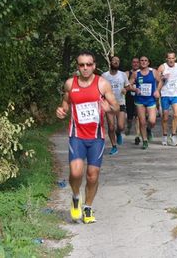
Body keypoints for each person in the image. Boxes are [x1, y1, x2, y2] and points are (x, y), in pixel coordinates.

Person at [56, 50, 119, 224]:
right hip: (76, 136)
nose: (85, 68)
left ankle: (88, 207)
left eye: (89, 64)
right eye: (81, 65)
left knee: (92, 175)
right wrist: (61, 111)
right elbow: (65, 104)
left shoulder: (102, 84)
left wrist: (109, 109)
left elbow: (117, 108)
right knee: (76, 172)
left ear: (94, 66)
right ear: (78, 66)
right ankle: (76, 197)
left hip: (96, 137)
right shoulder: (70, 84)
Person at [129, 55, 161, 150]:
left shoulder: (153, 72)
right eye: (141, 60)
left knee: (152, 121)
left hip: (151, 100)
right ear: (139, 62)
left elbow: (161, 81)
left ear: (148, 62)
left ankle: (149, 129)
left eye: (145, 60)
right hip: (139, 101)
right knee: (142, 122)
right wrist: (135, 89)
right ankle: (145, 141)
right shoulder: (136, 73)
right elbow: (128, 85)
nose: (143, 62)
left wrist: (157, 90)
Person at [102, 56, 130, 155]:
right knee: (111, 127)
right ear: (110, 62)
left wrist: (125, 90)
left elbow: (128, 86)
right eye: (114, 61)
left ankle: (118, 133)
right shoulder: (104, 75)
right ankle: (114, 146)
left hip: (120, 103)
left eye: (118, 61)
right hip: (109, 104)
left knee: (121, 126)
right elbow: (100, 88)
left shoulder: (123, 75)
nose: (116, 62)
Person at [157, 52, 177, 146]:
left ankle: (173, 136)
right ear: (166, 59)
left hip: (175, 94)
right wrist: (162, 77)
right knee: (165, 117)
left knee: (176, 115)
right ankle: (165, 135)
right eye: (169, 58)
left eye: (172, 58)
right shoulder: (162, 67)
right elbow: (156, 77)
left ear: (175, 58)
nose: (171, 60)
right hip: (165, 94)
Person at [125, 57, 141, 145]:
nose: (135, 64)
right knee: (130, 118)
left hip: (139, 98)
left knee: (137, 117)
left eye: (137, 62)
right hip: (129, 98)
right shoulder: (127, 73)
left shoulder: (141, 73)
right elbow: (123, 83)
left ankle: (137, 136)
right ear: (131, 63)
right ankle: (129, 126)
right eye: (134, 62)